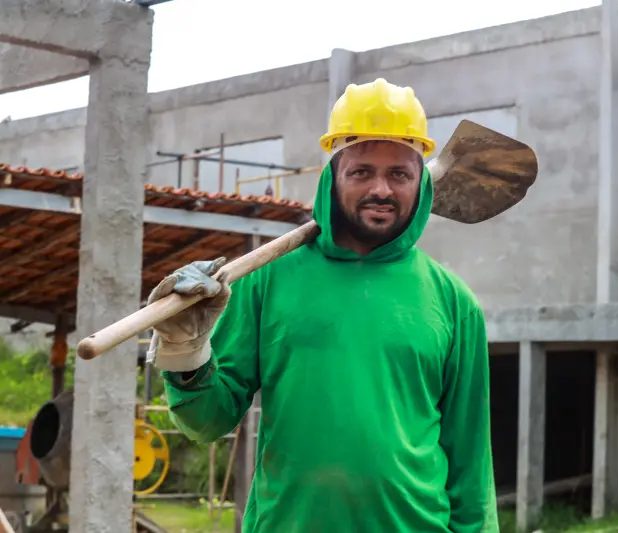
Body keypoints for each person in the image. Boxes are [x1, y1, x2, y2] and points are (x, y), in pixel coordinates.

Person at [147, 78, 499, 533]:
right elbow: (207, 422)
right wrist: (186, 353)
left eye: (399, 174)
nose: (382, 190)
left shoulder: (453, 302)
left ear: (420, 183)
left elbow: (471, 458)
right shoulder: (269, 279)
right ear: (332, 175)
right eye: (361, 171)